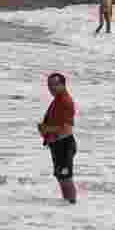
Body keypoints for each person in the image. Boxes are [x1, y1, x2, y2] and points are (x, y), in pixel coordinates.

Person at [38, 72, 77, 204]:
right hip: (58, 145)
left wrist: (46, 129)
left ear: (62, 85)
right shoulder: (57, 100)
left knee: (66, 178)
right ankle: (67, 206)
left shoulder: (65, 101)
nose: (51, 88)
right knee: (61, 177)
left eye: (54, 85)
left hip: (64, 144)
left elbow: (67, 128)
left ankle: (72, 205)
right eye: (49, 85)